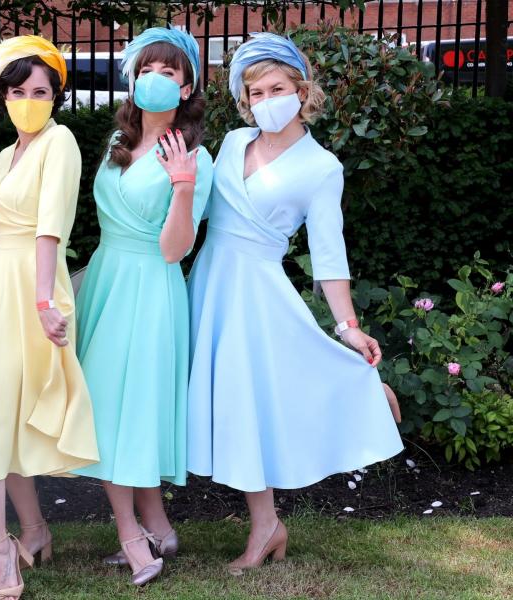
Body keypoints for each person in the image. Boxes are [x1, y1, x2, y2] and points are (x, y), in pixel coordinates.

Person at [185, 32, 404, 574]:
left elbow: (329, 255)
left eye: (276, 88)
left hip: (258, 295)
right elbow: (190, 209)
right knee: (232, 405)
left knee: (251, 402)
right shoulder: (233, 143)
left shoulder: (321, 166)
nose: (265, 101)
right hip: (210, 283)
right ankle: (267, 525)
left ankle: (361, 393)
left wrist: (348, 325)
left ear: (302, 90)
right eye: (254, 93)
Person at [0, 35, 99, 600]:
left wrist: (42, 301)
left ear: (56, 95)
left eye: (41, 90)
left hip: (32, 283)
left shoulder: (62, 141)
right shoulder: (6, 154)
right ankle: (30, 530)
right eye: (18, 90)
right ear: (2, 95)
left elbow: (51, 223)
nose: (29, 98)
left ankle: (0, 546)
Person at [71, 26, 213, 587]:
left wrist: (182, 187)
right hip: (109, 278)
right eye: (147, 70)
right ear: (132, 80)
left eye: (169, 73)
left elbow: (176, 249)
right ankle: (158, 526)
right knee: (111, 403)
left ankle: (131, 531)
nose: (155, 80)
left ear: (186, 88)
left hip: (152, 286)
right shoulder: (115, 145)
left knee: (125, 406)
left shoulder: (195, 155)